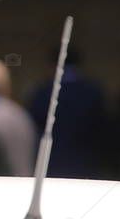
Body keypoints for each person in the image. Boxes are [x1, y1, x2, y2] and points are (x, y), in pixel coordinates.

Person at [27, 48, 108, 178]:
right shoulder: (92, 91)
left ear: (52, 65)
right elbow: (102, 127)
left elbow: (33, 126)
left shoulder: (43, 92)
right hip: (86, 163)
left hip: (51, 161)